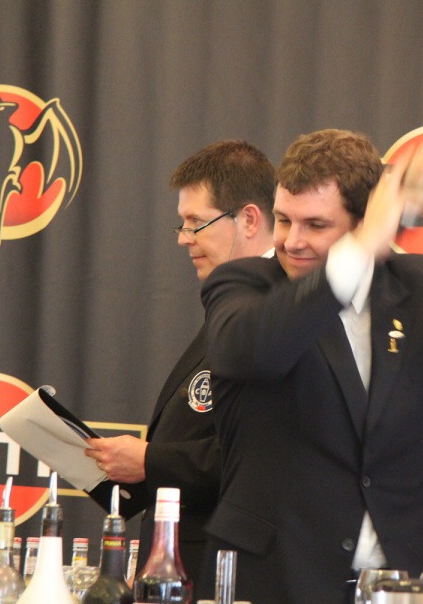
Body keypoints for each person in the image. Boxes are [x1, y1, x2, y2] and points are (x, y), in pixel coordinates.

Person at [197, 125, 423, 604]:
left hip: (416, 575)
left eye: (316, 225)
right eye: (284, 220)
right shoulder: (243, 285)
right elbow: (254, 351)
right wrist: (356, 254)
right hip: (282, 576)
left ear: (364, 220)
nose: (292, 241)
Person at [84, 139, 276, 590]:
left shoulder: (276, 311)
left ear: (249, 219)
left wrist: (151, 460)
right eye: (182, 223)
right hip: (180, 564)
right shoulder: (234, 301)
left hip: (225, 571)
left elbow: (261, 452)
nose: (183, 238)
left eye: (196, 222)